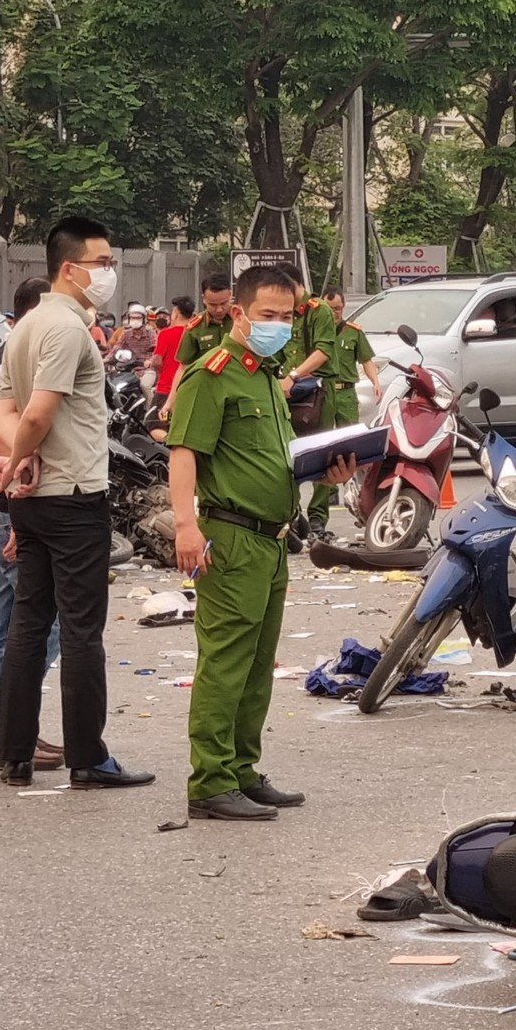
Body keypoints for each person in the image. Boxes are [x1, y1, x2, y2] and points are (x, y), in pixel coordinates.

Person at [165, 265, 357, 821]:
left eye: (286, 316)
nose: (277, 324)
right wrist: (184, 525)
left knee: (255, 666)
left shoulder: (265, 378)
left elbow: (271, 461)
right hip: (229, 537)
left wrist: (325, 474)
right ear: (240, 313)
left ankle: (241, 771)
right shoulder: (214, 373)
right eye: (267, 315)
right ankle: (209, 782)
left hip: (271, 541)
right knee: (225, 662)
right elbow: (184, 452)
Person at [0, 215, 153, 789]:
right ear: (69, 268)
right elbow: (37, 413)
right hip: (74, 494)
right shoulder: (64, 328)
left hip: (32, 499)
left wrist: (16, 460)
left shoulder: (23, 328)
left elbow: (6, 415)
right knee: (82, 630)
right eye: (103, 263)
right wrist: (20, 457)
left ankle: (14, 754)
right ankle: (88, 757)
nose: (109, 273)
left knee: (29, 623)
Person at [0, 276, 64, 771]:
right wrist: (18, 517)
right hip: (11, 505)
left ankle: (2, 731)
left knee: (4, 625)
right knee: (40, 626)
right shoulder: (19, 360)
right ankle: (8, 729)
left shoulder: (0, 357)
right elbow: (12, 443)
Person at [307, 288, 380, 537]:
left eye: (338, 308)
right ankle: (319, 511)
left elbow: (367, 359)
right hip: (324, 393)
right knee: (323, 449)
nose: (335, 313)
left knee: (352, 449)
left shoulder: (353, 332)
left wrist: (375, 382)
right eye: (331, 309)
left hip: (346, 393)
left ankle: (361, 502)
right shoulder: (315, 330)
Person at [277, 265, 338, 541]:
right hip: (286, 392)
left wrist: (294, 375)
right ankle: (291, 514)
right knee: (285, 453)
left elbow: (323, 351)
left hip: (317, 392)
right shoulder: (281, 313)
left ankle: (317, 519)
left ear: (295, 285)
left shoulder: (319, 310)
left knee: (322, 453)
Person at [166, 274, 234, 416]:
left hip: (239, 392)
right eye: (213, 305)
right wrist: (171, 400)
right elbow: (183, 367)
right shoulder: (195, 328)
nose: (219, 309)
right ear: (204, 299)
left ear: (231, 295)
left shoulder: (242, 320)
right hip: (208, 394)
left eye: (224, 303)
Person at [150, 295, 196, 401]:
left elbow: (156, 361)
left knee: (154, 417)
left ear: (175, 314)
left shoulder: (165, 334)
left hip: (166, 388)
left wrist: (160, 372)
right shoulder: (195, 333)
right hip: (189, 389)